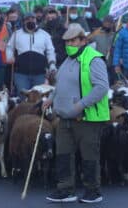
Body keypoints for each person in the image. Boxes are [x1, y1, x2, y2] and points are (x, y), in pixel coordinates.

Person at [44, 23, 110, 204]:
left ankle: (93, 191)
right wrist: (51, 97)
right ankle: (65, 189)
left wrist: (81, 105)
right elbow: (60, 83)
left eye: (73, 41)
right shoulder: (67, 60)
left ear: (83, 40)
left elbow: (102, 87)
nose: (69, 45)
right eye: (67, 41)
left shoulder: (94, 59)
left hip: (87, 118)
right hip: (65, 116)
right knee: (63, 154)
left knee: (89, 155)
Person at [6, 13, 56, 97]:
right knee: (23, 98)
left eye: (32, 18)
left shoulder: (44, 35)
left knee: (39, 98)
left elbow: (50, 51)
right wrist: (9, 57)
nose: (30, 21)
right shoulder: (16, 34)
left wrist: (52, 64)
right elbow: (9, 47)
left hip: (40, 74)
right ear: (23, 21)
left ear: (36, 20)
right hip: (21, 74)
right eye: (27, 19)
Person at [88, 15, 116, 84]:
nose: (108, 25)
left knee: (111, 83)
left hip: (111, 64)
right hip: (100, 63)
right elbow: (87, 40)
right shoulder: (97, 33)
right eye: (106, 23)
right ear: (103, 23)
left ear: (113, 24)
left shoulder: (115, 35)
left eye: (110, 23)